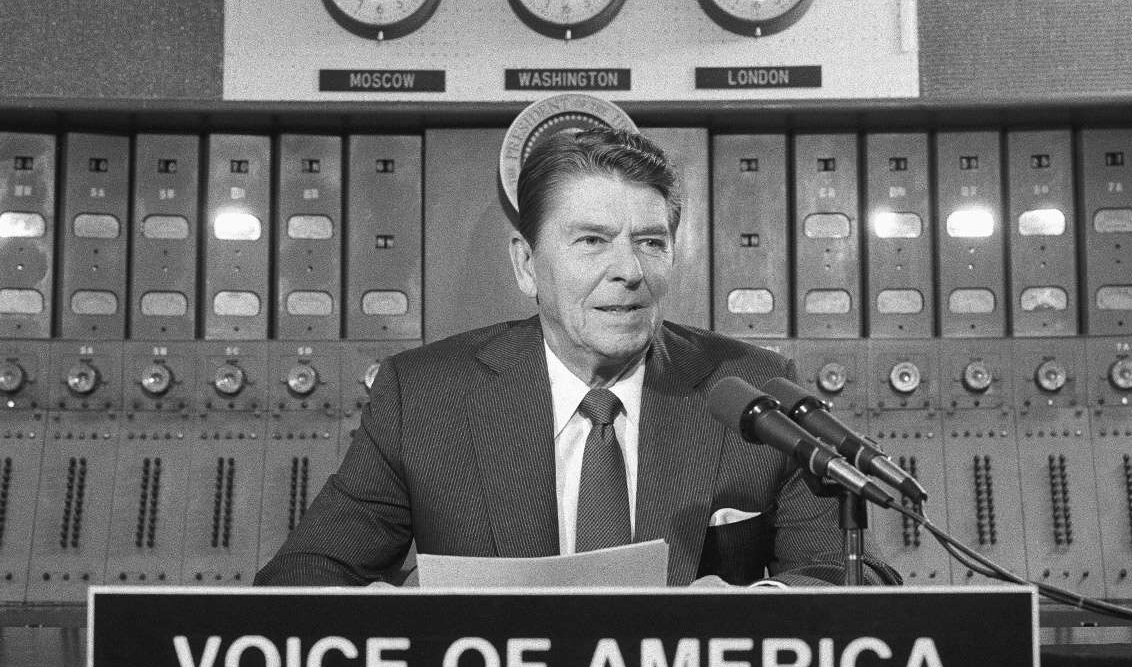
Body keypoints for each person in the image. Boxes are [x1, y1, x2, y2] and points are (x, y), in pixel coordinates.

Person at [255, 126, 898, 587]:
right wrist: (406, 616)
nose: (629, 270)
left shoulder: (753, 387)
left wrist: (756, 607)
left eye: (651, 242)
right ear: (526, 264)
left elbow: (854, 573)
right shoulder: (424, 396)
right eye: (592, 240)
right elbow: (303, 576)